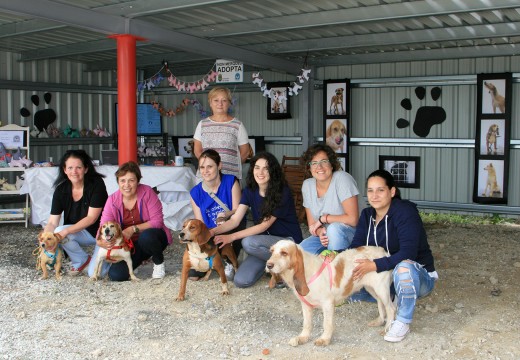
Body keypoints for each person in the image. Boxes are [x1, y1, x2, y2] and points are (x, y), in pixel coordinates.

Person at [349, 169, 438, 342]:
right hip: (387, 277)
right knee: (351, 289)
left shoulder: (405, 212)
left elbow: (409, 253)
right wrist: (333, 255)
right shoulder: (367, 215)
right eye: (370, 190)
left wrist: (374, 265)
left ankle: (402, 321)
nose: (374, 195)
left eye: (380, 190)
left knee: (404, 267)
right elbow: (355, 247)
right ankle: (390, 298)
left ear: (392, 191)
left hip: (418, 277)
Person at [213, 151, 303, 288]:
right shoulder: (250, 191)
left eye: (266, 168)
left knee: (248, 243)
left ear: (273, 171)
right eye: (257, 167)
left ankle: (288, 267)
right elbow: (235, 220)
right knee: (241, 281)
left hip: (287, 241)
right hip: (265, 246)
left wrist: (231, 237)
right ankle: (277, 268)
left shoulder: (282, 192)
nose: (260, 172)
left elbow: (263, 226)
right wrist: (212, 232)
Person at [87, 161, 172, 281]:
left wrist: (133, 229)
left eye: (131, 180)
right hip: (129, 245)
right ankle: (138, 261)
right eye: (122, 180)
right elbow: (103, 224)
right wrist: (99, 241)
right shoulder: (112, 200)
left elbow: (157, 221)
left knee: (147, 236)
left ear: (138, 181)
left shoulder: (147, 192)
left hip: (153, 238)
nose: (126, 185)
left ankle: (158, 263)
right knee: (116, 275)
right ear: (118, 182)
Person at [44, 150, 108, 276]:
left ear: (85, 169)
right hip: (81, 232)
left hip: (101, 233)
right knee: (57, 232)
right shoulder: (61, 190)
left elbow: (91, 218)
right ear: (64, 170)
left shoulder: (97, 184)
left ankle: (116, 259)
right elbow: (52, 221)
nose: (74, 171)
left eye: (78, 167)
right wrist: (45, 238)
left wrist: (66, 231)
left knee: (96, 274)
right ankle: (81, 260)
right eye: (70, 167)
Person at [189, 149, 245, 281]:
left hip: (230, 228)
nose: (205, 171)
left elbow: (239, 209)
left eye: (210, 166)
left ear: (219, 166)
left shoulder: (231, 182)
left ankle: (229, 260)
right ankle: (214, 260)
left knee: (238, 221)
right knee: (194, 276)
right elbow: (199, 223)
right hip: (210, 234)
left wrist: (226, 214)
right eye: (202, 167)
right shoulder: (195, 193)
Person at [298, 144, 359, 256]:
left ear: (332, 164)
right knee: (300, 251)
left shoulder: (342, 179)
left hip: (354, 234)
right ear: (309, 167)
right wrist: (320, 232)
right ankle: (324, 261)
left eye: (324, 161)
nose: (319, 167)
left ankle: (334, 268)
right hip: (326, 235)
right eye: (314, 163)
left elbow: (353, 219)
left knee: (334, 229)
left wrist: (324, 219)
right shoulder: (307, 185)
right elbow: (312, 225)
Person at [193, 86, 250, 179]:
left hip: (229, 177)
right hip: (206, 177)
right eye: (216, 100)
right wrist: (209, 167)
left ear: (229, 103)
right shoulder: (202, 124)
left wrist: (232, 167)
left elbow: (245, 152)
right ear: (210, 103)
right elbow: (197, 150)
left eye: (224, 100)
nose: (220, 104)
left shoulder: (237, 125)